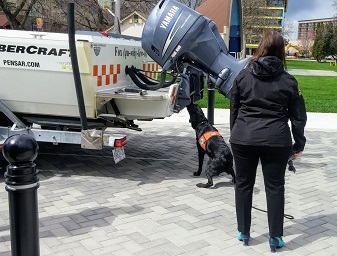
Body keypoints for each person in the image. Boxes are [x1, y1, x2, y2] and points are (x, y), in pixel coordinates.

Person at [229, 30, 307, 252]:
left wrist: (237, 132)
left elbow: (234, 109)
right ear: (281, 50)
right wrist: (298, 144)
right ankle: (275, 237)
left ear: (260, 47)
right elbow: (298, 117)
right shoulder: (288, 81)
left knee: (243, 185)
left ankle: (244, 231)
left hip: (243, 138)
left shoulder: (243, 76)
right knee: (275, 188)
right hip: (276, 140)